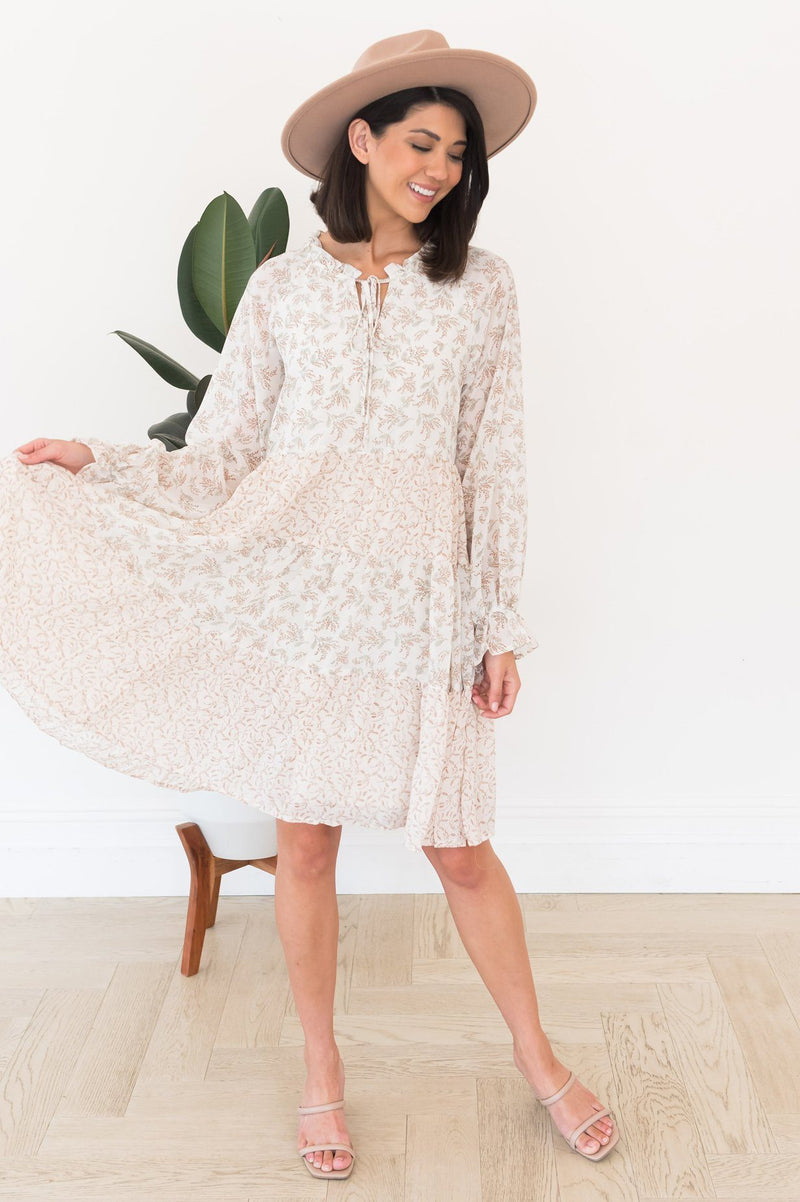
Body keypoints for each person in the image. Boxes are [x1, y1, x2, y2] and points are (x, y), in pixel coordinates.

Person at [1, 28, 619, 1181]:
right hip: (298, 587)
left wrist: (497, 621)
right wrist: (101, 459)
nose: (439, 168)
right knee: (305, 843)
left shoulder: (481, 285)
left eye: (457, 153)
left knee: (461, 847)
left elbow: (493, 458)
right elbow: (224, 454)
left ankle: (537, 1056)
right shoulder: (281, 287)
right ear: (362, 140)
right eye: (420, 142)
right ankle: (320, 1071)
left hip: (420, 597)